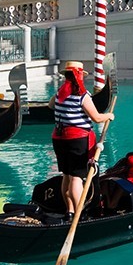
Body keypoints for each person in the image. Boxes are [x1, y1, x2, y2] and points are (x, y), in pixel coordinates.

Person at [51, 60, 114, 219]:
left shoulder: (59, 93)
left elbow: (51, 105)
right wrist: (109, 115)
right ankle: (81, 214)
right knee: (76, 178)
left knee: (66, 175)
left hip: (59, 139)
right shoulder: (82, 96)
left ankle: (70, 212)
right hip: (77, 141)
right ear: (79, 76)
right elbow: (97, 117)